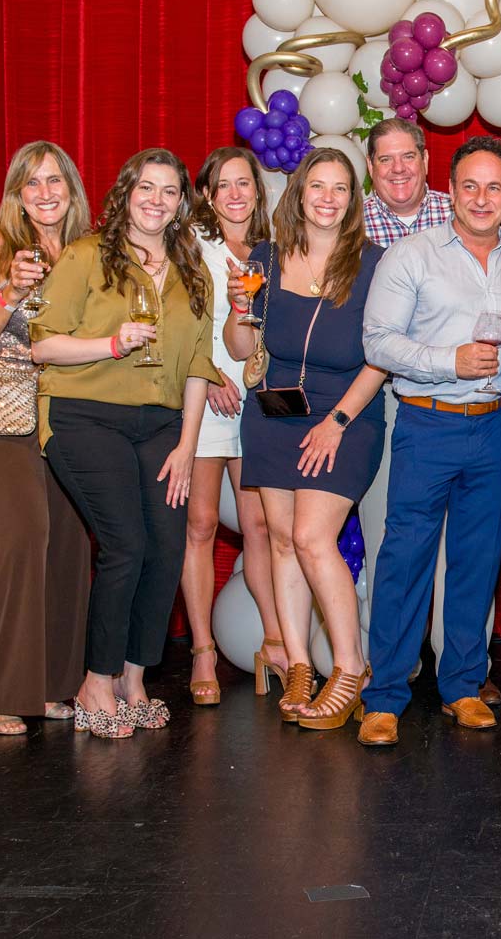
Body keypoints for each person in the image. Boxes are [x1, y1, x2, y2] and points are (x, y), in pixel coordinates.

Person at [31, 148, 220, 739]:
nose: (156, 200)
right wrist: (111, 344)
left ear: (181, 203)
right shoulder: (88, 255)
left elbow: (197, 364)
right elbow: (43, 346)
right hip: (87, 415)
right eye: (146, 188)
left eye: (169, 191)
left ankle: (133, 678)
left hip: (162, 425)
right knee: (126, 546)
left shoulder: (194, 270)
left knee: (167, 549)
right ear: (126, 193)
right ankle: (95, 680)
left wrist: (189, 445)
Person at [357, 136, 501, 747]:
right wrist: (447, 360)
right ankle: (384, 698)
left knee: (477, 563)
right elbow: (377, 341)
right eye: (470, 186)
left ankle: (461, 685)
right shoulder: (409, 256)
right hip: (426, 424)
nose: (482, 198)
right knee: (403, 562)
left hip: (497, 428)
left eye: (495, 187)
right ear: (449, 191)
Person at [225, 148, 386, 733]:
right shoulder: (264, 256)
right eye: (316, 186)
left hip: (345, 415)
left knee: (315, 538)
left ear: (352, 199)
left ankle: (349, 668)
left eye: (339, 188)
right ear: (298, 194)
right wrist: (240, 309)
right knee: (283, 541)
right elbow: (243, 349)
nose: (327, 197)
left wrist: (337, 422)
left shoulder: (374, 265)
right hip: (271, 412)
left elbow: (381, 360)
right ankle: (297, 663)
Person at [0, 140, 93, 735]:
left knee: (69, 542)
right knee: (17, 537)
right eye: (31, 182)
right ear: (17, 192)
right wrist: (9, 292)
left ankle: (52, 685)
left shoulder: (91, 252)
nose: (44, 192)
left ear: (72, 189)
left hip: (66, 410)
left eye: (55, 181)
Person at [178, 148, 279, 707]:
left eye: (245, 183)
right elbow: (178, 320)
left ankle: (274, 638)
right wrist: (211, 372)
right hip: (207, 393)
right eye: (224, 185)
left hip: (258, 401)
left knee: (261, 524)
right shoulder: (194, 248)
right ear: (209, 195)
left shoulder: (270, 250)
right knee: (202, 522)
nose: (236, 193)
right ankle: (202, 650)